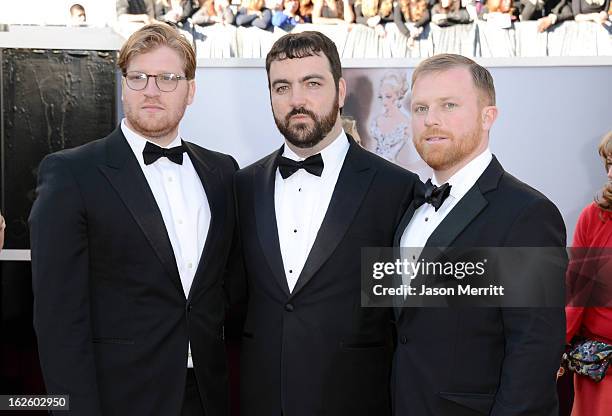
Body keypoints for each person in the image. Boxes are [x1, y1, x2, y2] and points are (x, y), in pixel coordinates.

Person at [29, 23, 237, 416]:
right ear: (123, 86)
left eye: (167, 78)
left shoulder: (222, 172)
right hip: (117, 398)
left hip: (206, 396)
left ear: (191, 91)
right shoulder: (72, 174)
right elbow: (59, 321)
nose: (152, 90)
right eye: (138, 77)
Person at [234, 31, 420, 416]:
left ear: (340, 90)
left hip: (356, 400)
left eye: (312, 83)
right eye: (281, 87)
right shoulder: (242, 186)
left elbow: (407, 313)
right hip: (260, 400)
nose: (296, 100)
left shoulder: (396, 189)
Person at [393, 53, 566, 416]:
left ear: (489, 116)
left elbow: (534, 352)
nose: (431, 120)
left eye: (448, 105)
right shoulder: (410, 207)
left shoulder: (527, 215)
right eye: (420, 108)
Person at [564, 131, 612, 416]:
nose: (609, 172)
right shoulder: (593, 216)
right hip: (600, 366)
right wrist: (556, 344)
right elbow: (576, 292)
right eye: (608, 163)